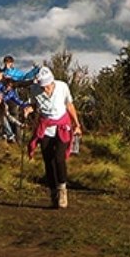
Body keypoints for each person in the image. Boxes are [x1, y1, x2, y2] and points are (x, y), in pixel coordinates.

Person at [25, 66, 83, 208]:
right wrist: (28, 109)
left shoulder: (62, 86)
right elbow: (34, 105)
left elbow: (69, 105)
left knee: (59, 158)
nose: (45, 89)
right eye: (43, 86)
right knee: (48, 160)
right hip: (46, 127)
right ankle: (53, 193)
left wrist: (77, 124)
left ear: (52, 82)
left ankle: (62, 190)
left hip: (62, 125)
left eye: (47, 85)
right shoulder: (34, 90)